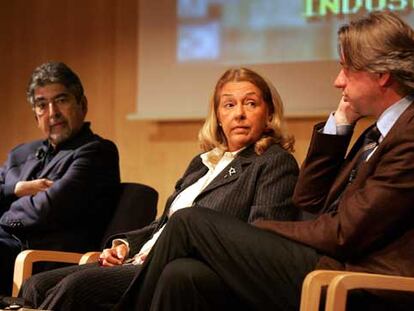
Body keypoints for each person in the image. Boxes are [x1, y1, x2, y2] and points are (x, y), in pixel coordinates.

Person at [110, 11, 414, 311]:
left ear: (381, 75)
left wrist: (267, 229)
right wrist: (341, 123)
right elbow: (308, 198)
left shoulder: (409, 135)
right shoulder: (376, 132)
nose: (337, 82)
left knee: (189, 221)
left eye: (346, 69)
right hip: (333, 266)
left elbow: (343, 234)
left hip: (361, 281)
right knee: (182, 275)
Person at [21, 67, 300, 310]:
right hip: (140, 259)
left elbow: (257, 242)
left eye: (250, 103)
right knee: (37, 284)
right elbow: (163, 225)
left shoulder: (274, 162)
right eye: (228, 105)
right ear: (217, 115)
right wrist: (125, 245)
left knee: (77, 288)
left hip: (178, 270)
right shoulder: (202, 163)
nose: (239, 113)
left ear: (269, 112)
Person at [0, 62, 120, 296]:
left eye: (62, 100)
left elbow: (48, 209)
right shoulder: (20, 154)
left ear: (82, 105)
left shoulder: (97, 152)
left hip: (42, 258)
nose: (52, 112)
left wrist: (3, 211)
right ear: (36, 115)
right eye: (42, 105)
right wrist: (16, 189)